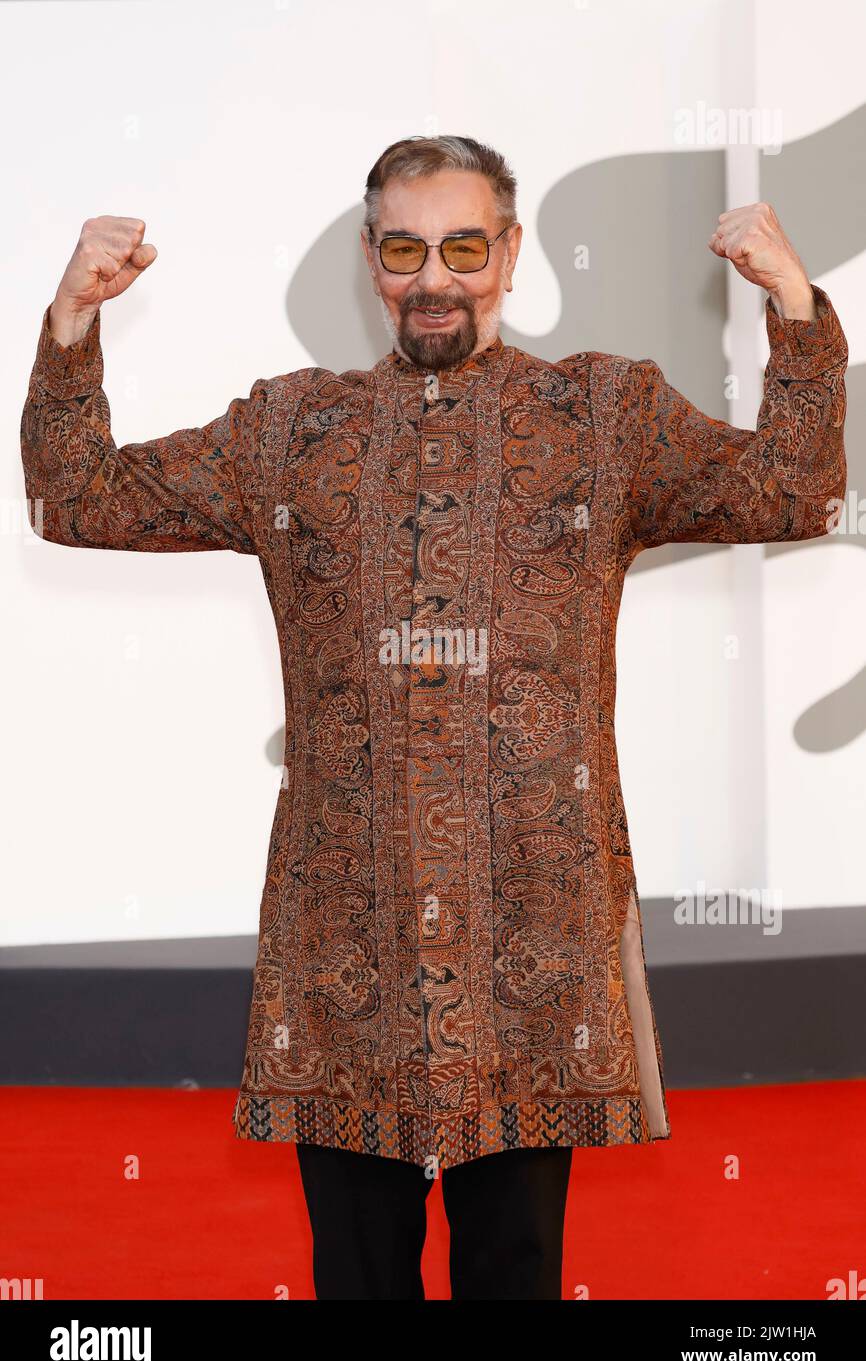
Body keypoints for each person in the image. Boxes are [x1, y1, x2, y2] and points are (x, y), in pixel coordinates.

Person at [20, 135, 847, 1301]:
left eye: (464, 245)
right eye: (404, 248)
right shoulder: (287, 430)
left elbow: (794, 488)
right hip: (341, 950)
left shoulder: (603, 415)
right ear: (371, 260)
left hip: (534, 951)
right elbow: (77, 498)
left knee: (514, 1273)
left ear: (509, 255)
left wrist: (796, 306)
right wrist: (68, 325)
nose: (434, 277)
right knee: (358, 1280)